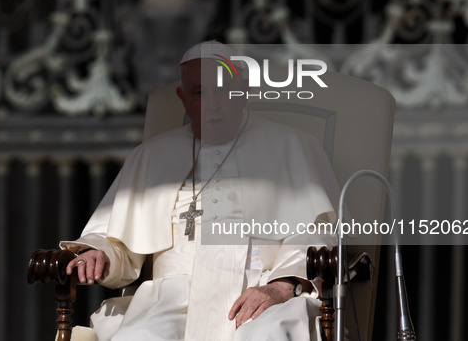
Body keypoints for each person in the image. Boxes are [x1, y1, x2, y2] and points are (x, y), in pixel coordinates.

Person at [60, 41, 341, 341]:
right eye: (200, 93)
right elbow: (116, 239)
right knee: (139, 337)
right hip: (171, 298)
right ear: (183, 98)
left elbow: (317, 230)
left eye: (223, 91)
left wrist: (281, 286)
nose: (213, 105)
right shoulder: (151, 156)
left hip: (259, 293)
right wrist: (98, 253)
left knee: (269, 333)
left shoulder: (291, 146)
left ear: (243, 90)